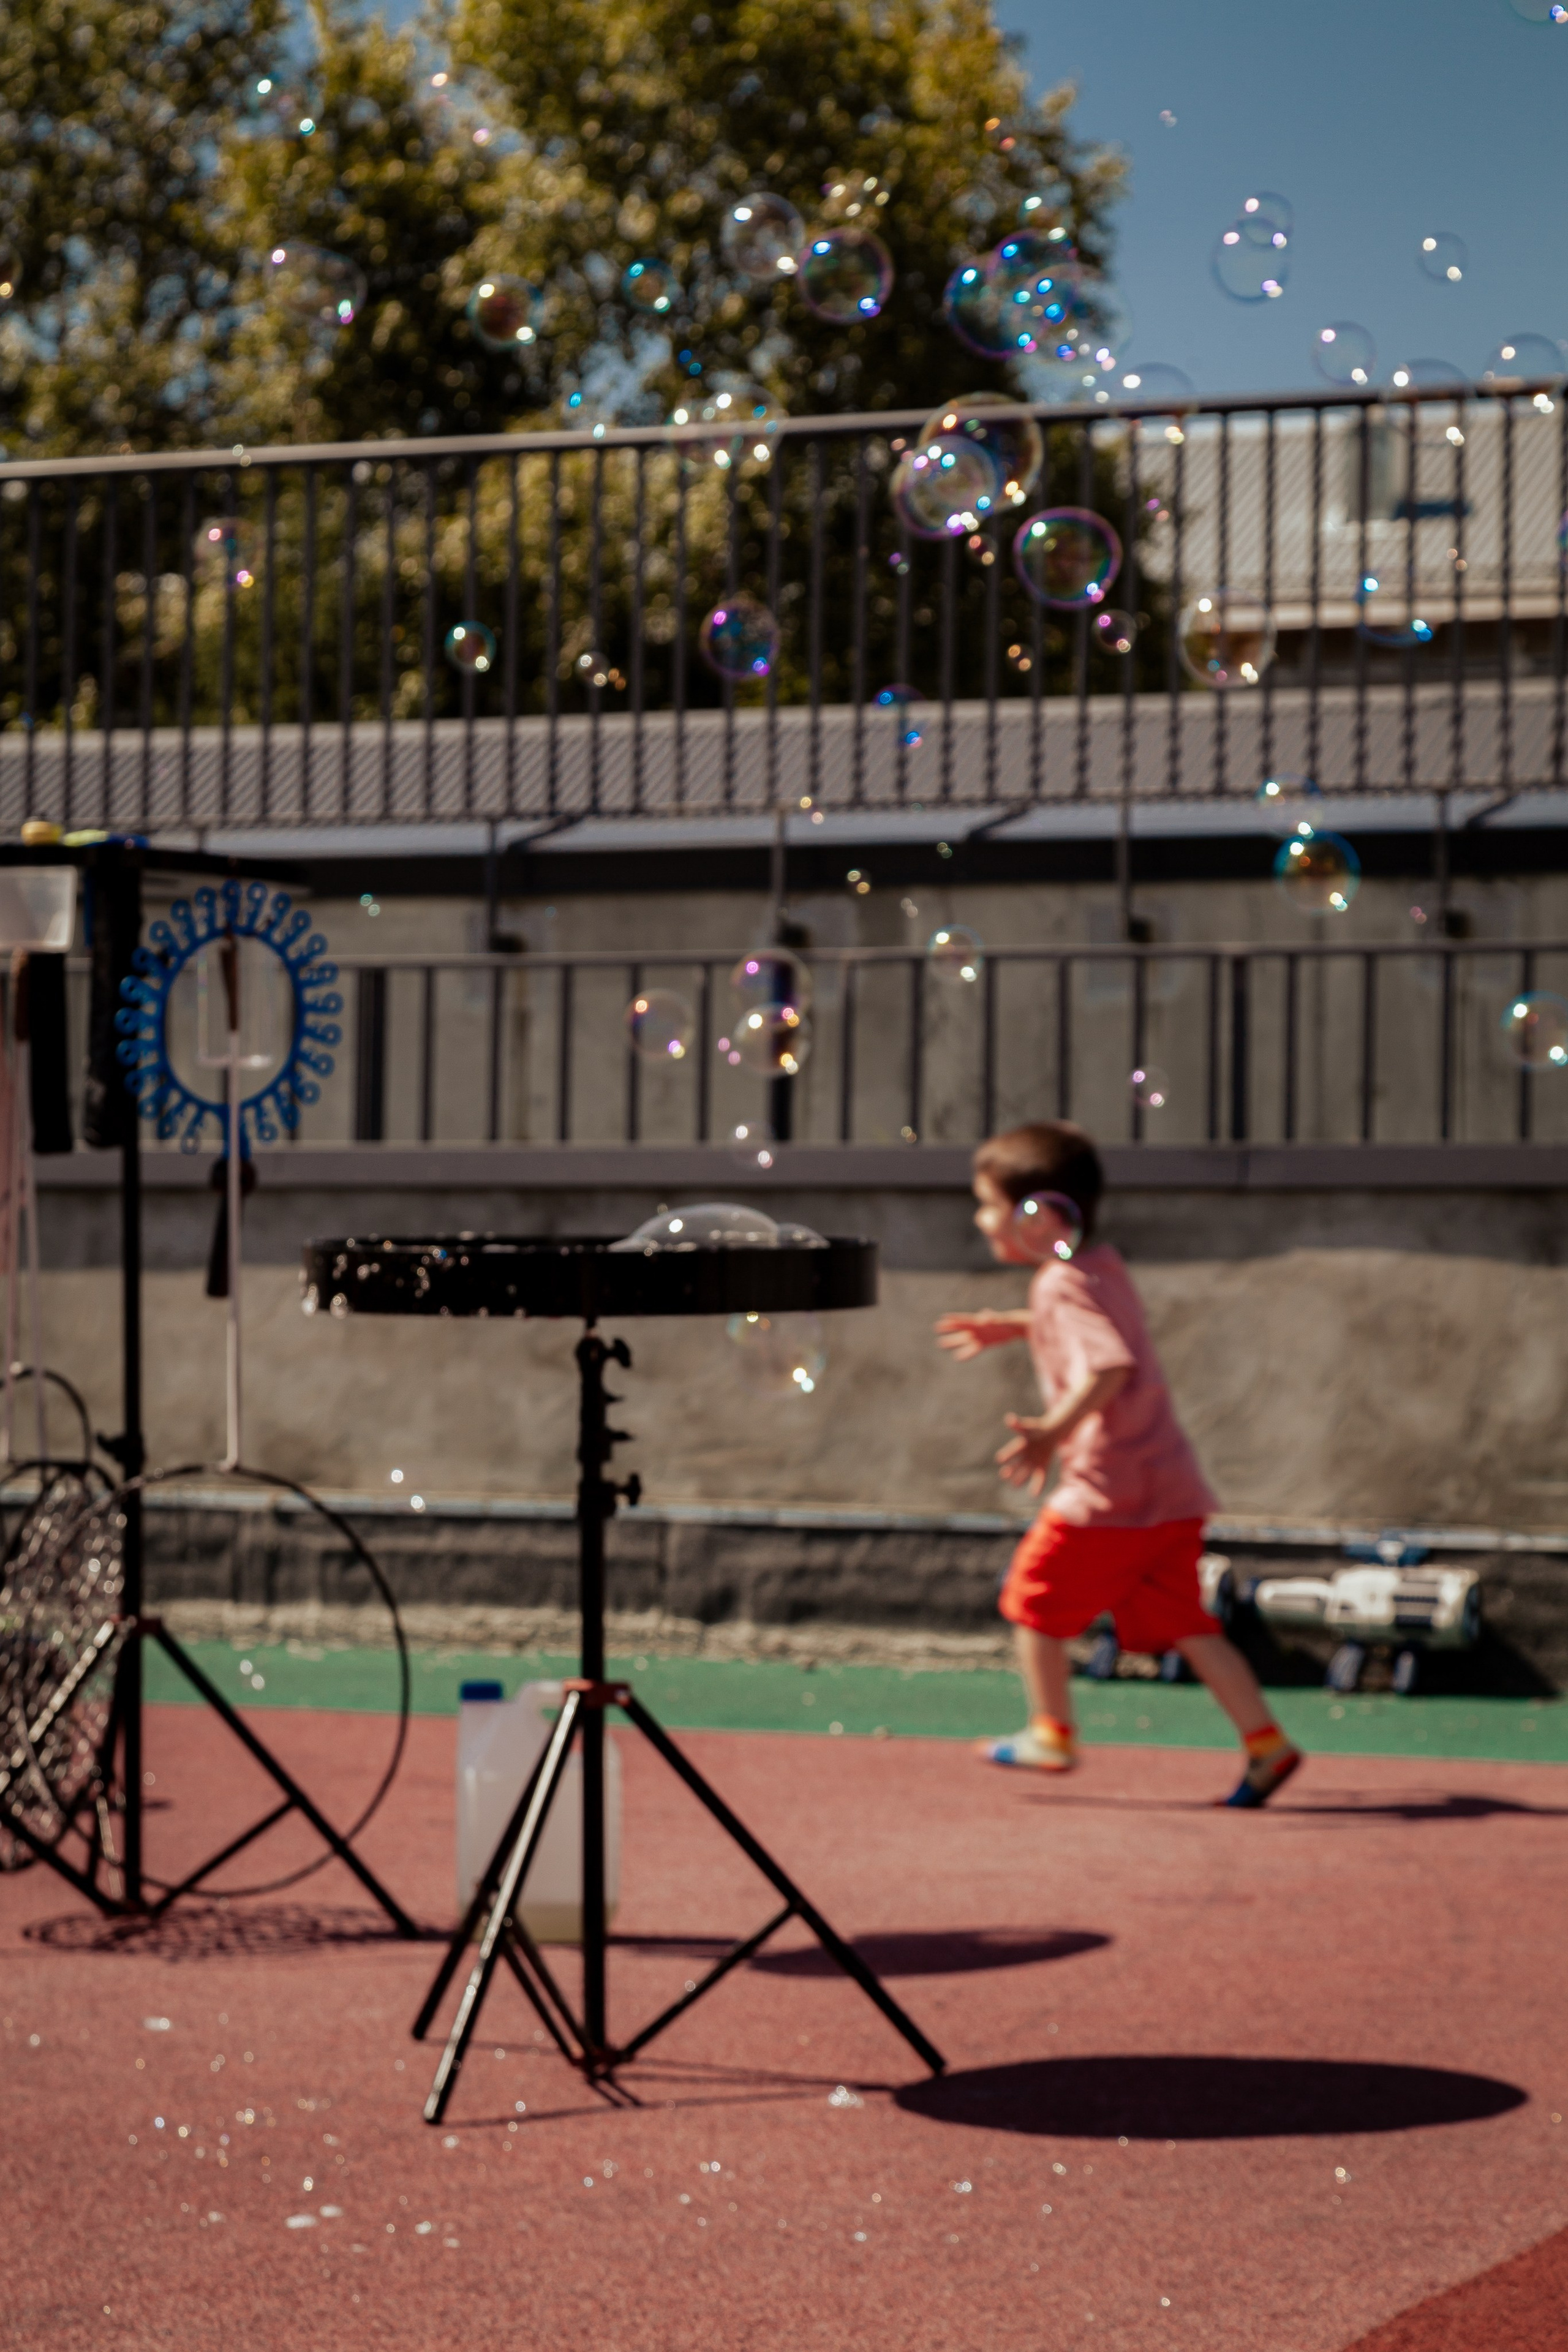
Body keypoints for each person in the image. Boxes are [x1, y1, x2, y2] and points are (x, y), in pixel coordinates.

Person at [934, 1119, 1301, 1809]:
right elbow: (1106, 1328)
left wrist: (1049, 1431)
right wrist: (1010, 1327)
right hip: (1170, 1489)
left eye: (987, 1203)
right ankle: (1266, 1745)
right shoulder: (1101, 1265)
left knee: (1031, 1596)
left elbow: (1107, 1364)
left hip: (1112, 1491)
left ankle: (1052, 1730)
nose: (980, 1217)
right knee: (1190, 1625)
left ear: (1037, 1217)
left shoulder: (1056, 1285)